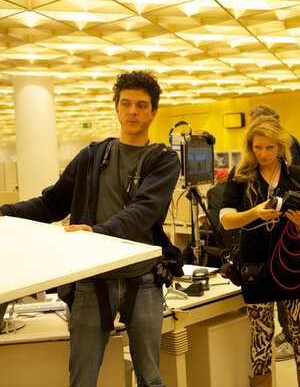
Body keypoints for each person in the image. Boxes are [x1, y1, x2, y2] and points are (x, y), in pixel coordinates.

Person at [0, 70, 180, 386]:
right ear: (117, 108)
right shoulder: (92, 156)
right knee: (82, 380)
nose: (133, 111)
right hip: (91, 283)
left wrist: (96, 233)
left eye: (141, 105)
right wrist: (5, 212)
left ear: (153, 112)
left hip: (144, 281)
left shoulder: (163, 159)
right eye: (126, 104)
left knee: (150, 378)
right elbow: (51, 204)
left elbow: (143, 212)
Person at [220, 117, 300, 387]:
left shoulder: (295, 174)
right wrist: (254, 213)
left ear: (281, 148)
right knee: (261, 338)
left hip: (293, 264)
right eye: (257, 148)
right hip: (256, 268)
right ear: (249, 147)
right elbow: (226, 219)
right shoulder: (241, 175)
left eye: (270, 148)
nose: (263, 154)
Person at [248, 104, 300, 361]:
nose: (262, 151)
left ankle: (291, 338)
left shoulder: (288, 149)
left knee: (286, 288)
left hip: (284, 231)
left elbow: (294, 187)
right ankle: (287, 332)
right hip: (271, 234)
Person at [249, 104, 300, 169]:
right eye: (258, 147)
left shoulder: (286, 140)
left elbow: (293, 170)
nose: (251, 129)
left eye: (270, 147)